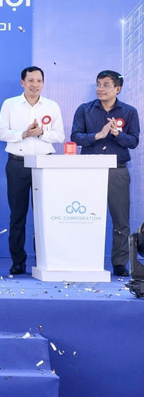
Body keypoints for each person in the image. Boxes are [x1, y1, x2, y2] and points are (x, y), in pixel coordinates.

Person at [0, 66, 64, 275]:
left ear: (43, 83)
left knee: (44, 215)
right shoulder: (10, 104)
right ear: (22, 82)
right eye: (31, 80)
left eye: (39, 81)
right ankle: (18, 261)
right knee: (17, 215)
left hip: (44, 165)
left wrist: (42, 132)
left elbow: (60, 136)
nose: (35, 85)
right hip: (17, 163)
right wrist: (23, 134)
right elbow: (1, 133)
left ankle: (43, 259)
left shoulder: (52, 106)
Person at [71, 70, 140, 277]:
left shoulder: (129, 112)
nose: (100, 88)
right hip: (88, 169)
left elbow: (134, 141)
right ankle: (83, 258)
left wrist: (117, 134)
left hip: (116, 170)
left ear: (117, 89)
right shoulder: (85, 110)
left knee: (120, 219)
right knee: (84, 216)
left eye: (106, 85)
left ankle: (120, 263)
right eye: (98, 84)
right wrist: (98, 135)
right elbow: (75, 137)